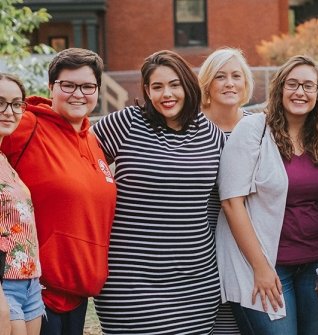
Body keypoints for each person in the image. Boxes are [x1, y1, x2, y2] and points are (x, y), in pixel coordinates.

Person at [93, 50, 225, 334]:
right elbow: (76, 159)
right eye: (157, 86)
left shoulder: (211, 135)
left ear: (188, 86)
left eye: (174, 84)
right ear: (146, 90)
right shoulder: (126, 123)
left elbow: (229, 198)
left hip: (196, 280)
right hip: (130, 279)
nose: (167, 93)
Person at [216, 55, 318, 335]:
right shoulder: (253, 131)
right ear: (279, 89)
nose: (300, 92)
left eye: (309, 86)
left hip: (316, 267)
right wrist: (260, 268)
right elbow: (231, 201)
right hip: (267, 268)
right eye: (293, 84)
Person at [1, 48, 117, 335]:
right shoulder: (26, 124)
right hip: (33, 290)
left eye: (88, 86)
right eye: (68, 85)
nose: (78, 93)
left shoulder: (92, 140)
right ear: (51, 87)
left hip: (78, 293)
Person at [198, 47, 254, 335]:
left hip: (247, 241)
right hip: (202, 241)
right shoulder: (191, 126)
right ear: (207, 84)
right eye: (221, 77)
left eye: (236, 76)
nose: (230, 83)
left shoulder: (259, 127)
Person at [0, 73, 43, 335]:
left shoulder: (5, 159)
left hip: (29, 282)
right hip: (4, 284)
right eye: (0, 102)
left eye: (17, 104)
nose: (9, 111)